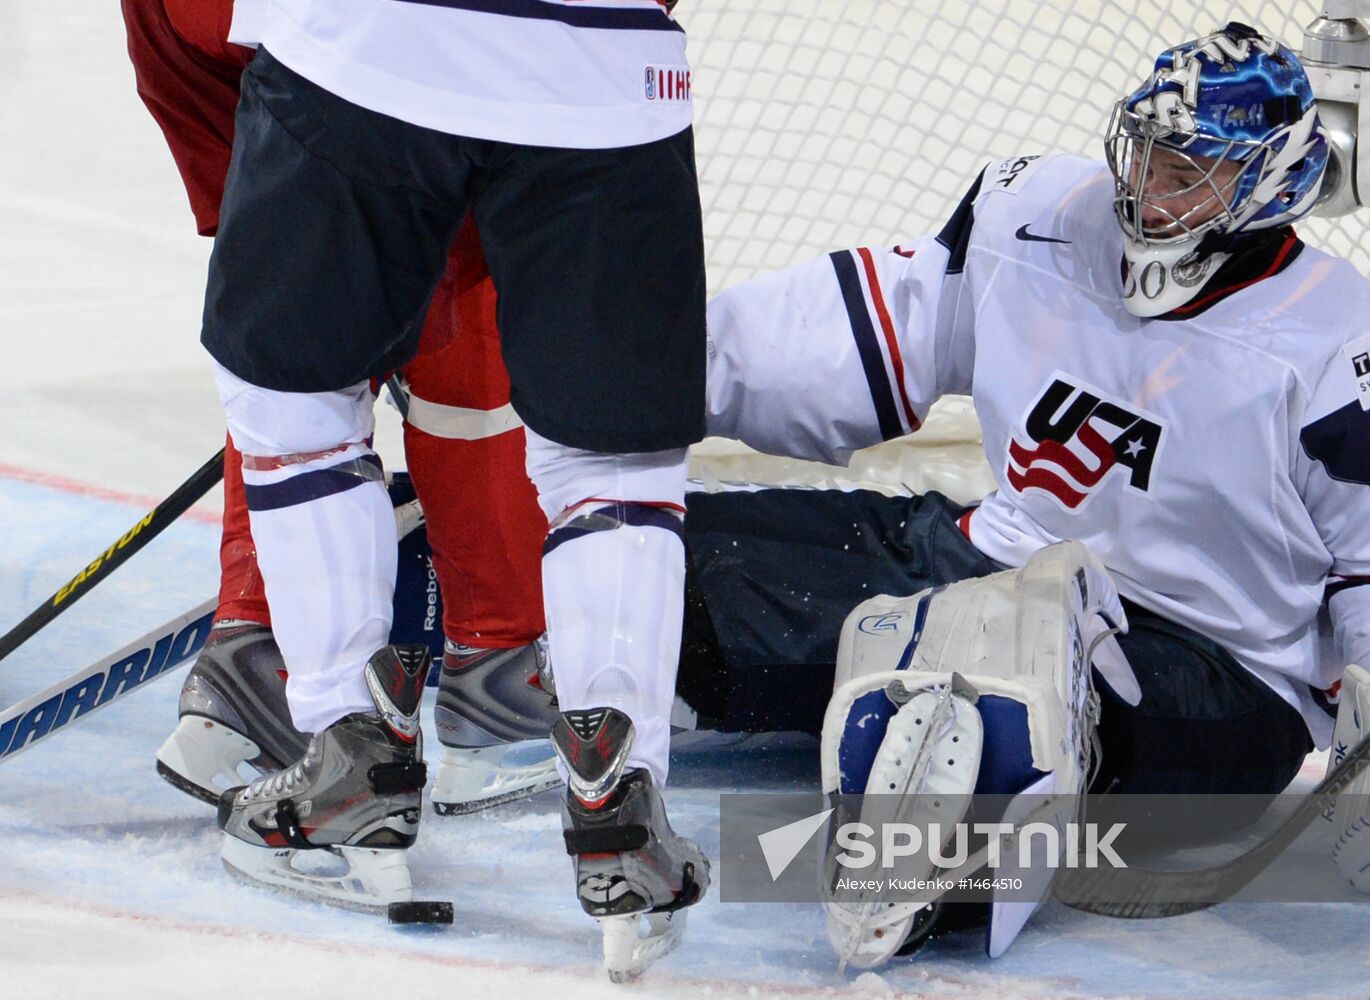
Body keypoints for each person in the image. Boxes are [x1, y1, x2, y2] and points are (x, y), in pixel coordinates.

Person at [671, 22, 1370, 964]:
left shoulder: (1338, 350)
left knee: (1022, 692)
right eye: (1149, 155)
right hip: (985, 552)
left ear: (1271, 182)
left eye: (1189, 170)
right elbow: (878, 331)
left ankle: (951, 819)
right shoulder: (1038, 212)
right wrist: (659, 372)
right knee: (655, 548)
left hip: (1215, 665)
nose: (1149, 189)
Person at [193, 0, 708, 972]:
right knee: (611, 459)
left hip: (367, 46)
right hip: (607, 70)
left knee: (291, 393)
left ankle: (347, 751)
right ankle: (619, 806)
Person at [118, 0, 560, 819]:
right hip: (379, 29)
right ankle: (499, 674)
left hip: (179, 20)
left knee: (290, 285)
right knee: (472, 264)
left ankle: (262, 655)